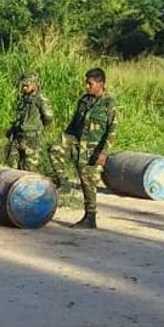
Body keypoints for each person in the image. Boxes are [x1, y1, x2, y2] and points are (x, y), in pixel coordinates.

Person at [54, 68, 118, 229]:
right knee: (54, 148)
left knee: (88, 182)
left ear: (101, 84)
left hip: (93, 150)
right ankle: (64, 182)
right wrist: (64, 140)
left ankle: (90, 217)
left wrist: (104, 152)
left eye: (90, 83)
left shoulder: (109, 103)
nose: (87, 86)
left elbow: (112, 131)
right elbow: (74, 125)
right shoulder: (84, 101)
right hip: (78, 143)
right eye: (86, 83)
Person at [6, 71, 60, 181]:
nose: (24, 88)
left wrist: (38, 127)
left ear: (35, 85)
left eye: (27, 85)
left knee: (29, 167)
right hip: (19, 135)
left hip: (32, 137)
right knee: (12, 165)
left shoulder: (41, 99)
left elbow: (48, 117)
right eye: (23, 85)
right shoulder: (24, 99)